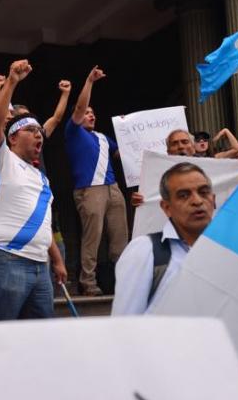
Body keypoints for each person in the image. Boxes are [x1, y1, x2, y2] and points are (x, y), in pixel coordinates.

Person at [0, 60, 67, 321]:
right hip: (6, 260)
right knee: (0, 339)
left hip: (41, 266)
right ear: (13, 137)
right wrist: (12, 81)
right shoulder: (1, 159)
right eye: (31, 130)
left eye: (40, 131)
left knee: (38, 341)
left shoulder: (42, 179)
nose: (39, 134)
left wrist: (57, 260)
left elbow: (43, 223)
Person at [113, 163, 216, 315]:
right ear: (166, 207)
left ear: (213, 200)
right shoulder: (145, 251)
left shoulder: (230, 253)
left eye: (203, 192)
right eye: (184, 195)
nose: (197, 201)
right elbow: (125, 325)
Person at [65, 66, 128, 296]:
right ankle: (88, 282)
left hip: (113, 188)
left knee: (120, 237)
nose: (91, 114)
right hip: (90, 189)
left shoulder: (102, 137)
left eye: (93, 112)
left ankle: (122, 281)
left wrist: (131, 130)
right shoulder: (73, 132)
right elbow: (80, 108)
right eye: (87, 113)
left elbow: (123, 153)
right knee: (93, 237)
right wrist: (89, 81)